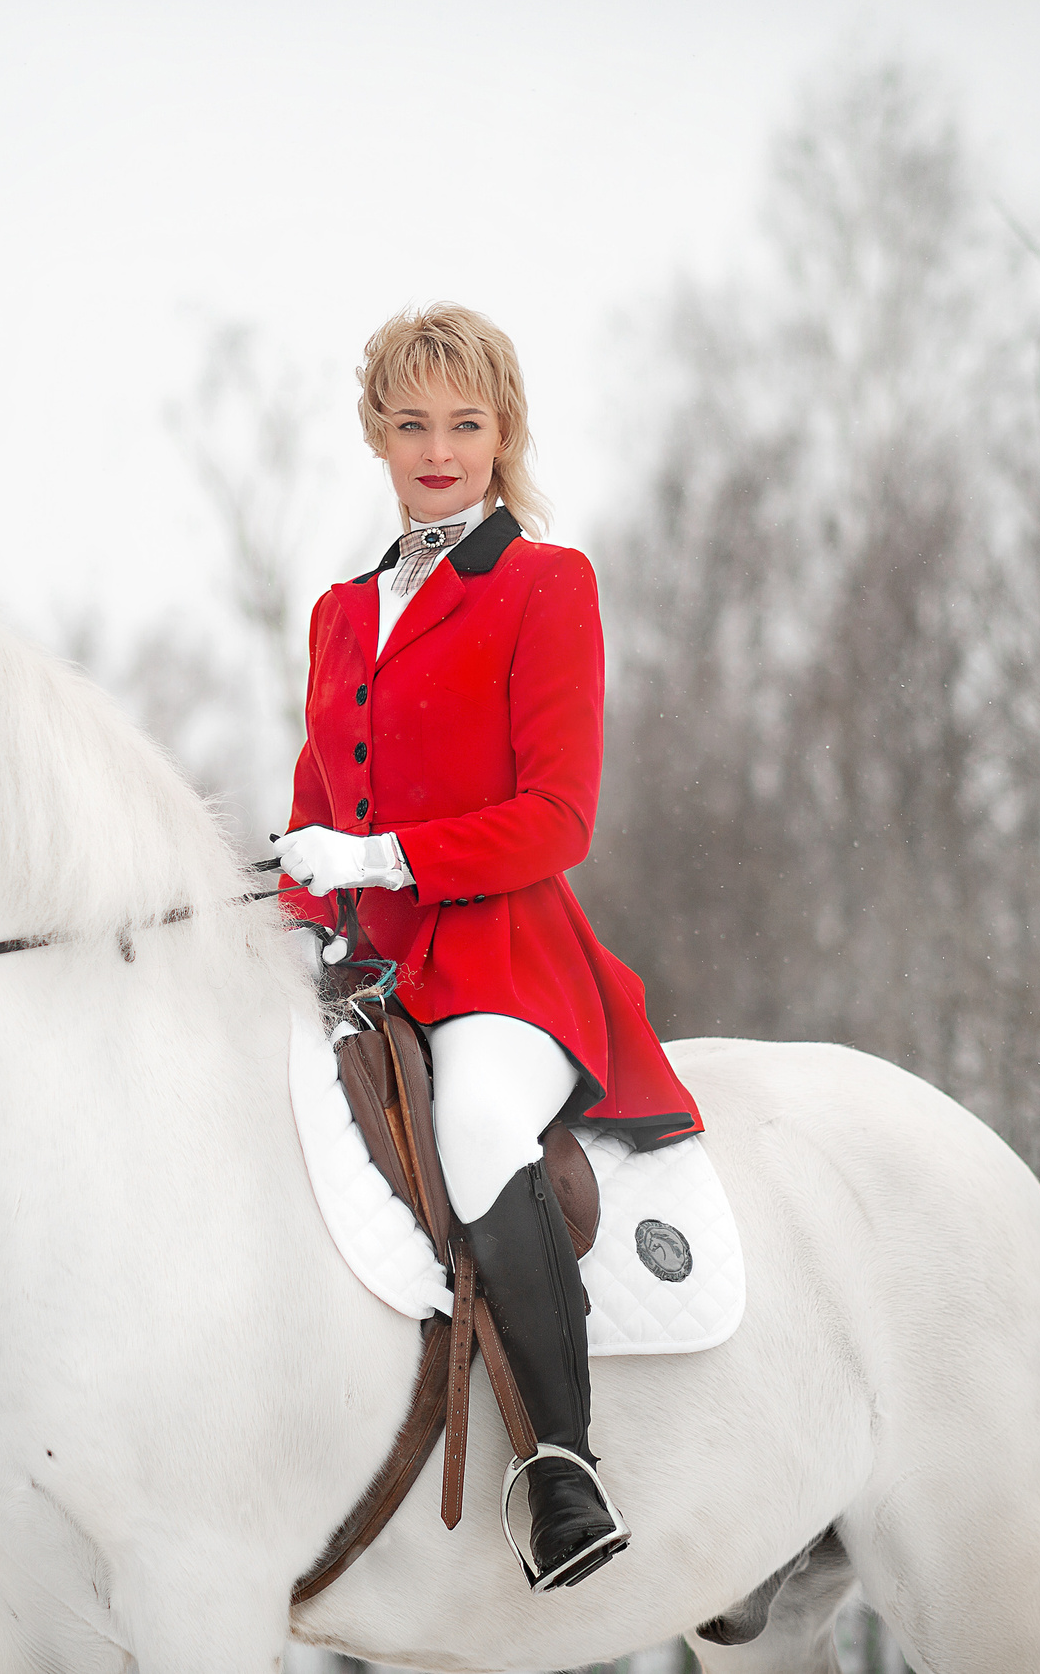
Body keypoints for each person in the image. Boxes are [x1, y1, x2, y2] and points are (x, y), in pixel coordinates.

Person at [278, 303, 703, 1592]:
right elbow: (315, 812)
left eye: (465, 424)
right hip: (366, 973)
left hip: (506, 965)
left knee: (472, 1123)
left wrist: (385, 861)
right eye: (412, 425)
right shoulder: (341, 612)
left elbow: (558, 817)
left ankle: (564, 1468)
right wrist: (293, 895)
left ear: (503, 432)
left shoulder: (544, 584)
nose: (439, 450)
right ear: (377, 436)